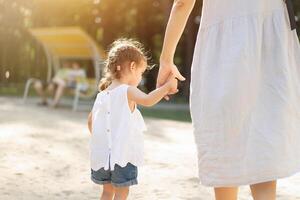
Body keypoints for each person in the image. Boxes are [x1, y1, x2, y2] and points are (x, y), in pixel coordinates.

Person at [157, 0, 300, 199]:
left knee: (224, 136)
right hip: (272, 40)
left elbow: (182, 3)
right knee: (263, 141)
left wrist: (166, 59)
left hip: (226, 45)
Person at [87, 38, 178, 200]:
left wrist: (103, 143)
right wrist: (167, 87)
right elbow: (149, 100)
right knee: (122, 193)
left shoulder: (101, 95)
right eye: (141, 73)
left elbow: (91, 122)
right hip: (123, 155)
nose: (140, 78)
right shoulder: (127, 91)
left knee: (107, 192)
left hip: (102, 157)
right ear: (133, 67)